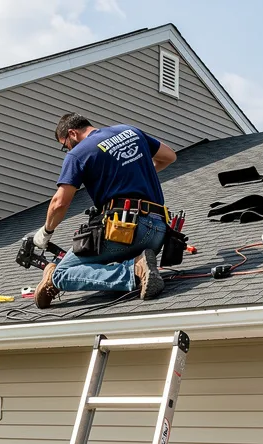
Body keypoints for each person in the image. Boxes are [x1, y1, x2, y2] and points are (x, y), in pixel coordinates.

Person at [32, 113, 177, 309]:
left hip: (126, 231)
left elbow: (59, 202)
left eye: (64, 145)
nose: (66, 149)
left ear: (72, 133)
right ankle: (139, 264)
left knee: (61, 272)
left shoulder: (79, 153)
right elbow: (169, 156)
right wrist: (135, 174)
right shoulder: (130, 130)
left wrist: (46, 231)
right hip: (159, 232)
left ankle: (135, 271)